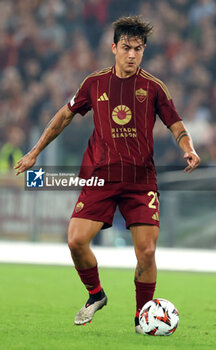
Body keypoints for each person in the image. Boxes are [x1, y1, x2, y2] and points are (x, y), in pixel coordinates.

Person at [15, 16, 200, 334]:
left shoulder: (153, 88)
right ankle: (96, 294)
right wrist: (35, 151)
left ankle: (143, 317)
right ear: (114, 47)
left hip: (140, 181)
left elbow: (177, 125)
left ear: (144, 51)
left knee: (147, 251)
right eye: (126, 47)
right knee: (75, 241)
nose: (131, 54)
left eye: (138, 49)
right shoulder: (94, 84)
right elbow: (64, 116)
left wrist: (188, 147)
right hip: (100, 177)